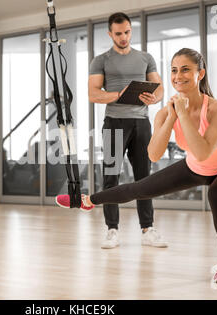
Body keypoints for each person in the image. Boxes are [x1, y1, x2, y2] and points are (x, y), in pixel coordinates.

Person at [56, 48, 217, 283]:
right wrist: (171, 117)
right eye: (174, 70)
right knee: (139, 187)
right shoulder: (165, 113)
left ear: (201, 74)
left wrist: (183, 114)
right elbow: (154, 154)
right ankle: (85, 201)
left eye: (186, 70)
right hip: (196, 167)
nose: (178, 76)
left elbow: (202, 151)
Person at [55, 12, 167, 250]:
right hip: (115, 123)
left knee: (144, 178)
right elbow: (93, 93)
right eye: (118, 33)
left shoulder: (145, 57)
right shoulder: (101, 60)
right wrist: (120, 94)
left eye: (127, 32)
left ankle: (147, 229)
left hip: (141, 124)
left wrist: (152, 98)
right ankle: (112, 230)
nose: (124, 37)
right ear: (110, 34)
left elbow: (159, 91)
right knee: (111, 177)